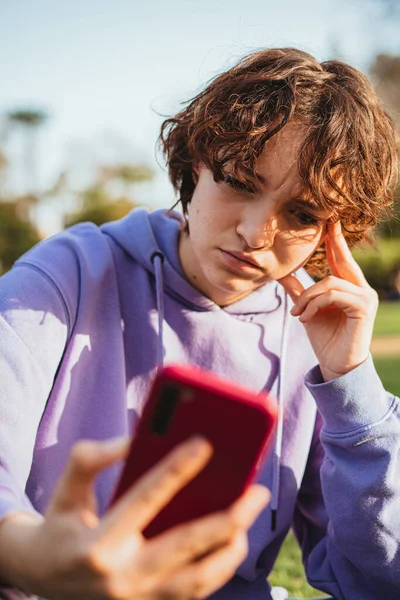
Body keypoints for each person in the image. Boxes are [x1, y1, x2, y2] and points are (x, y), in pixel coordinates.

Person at [0, 47, 399, 600]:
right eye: (239, 180)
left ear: (332, 232)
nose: (257, 233)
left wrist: (352, 382)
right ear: (194, 164)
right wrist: (30, 557)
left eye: (303, 214)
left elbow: (377, 578)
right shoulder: (66, 275)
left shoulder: (316, 335)